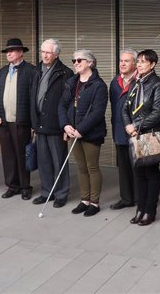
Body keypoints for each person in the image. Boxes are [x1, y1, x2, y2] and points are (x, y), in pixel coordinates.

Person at [58, 49, 108, 217]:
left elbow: (97, 112)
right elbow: (62, 106)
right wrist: (65, 125)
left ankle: (94, 202)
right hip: (72, 132)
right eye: (74, 60)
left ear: (90, 63)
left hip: (90, 134)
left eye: (80, 60)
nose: (76, 63)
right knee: (81, 168)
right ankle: (84, 200)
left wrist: (81, 129)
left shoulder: (99, 85)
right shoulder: (72, 82)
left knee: (92, 167)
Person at [122, 49, 160, 226]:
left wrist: (137, 126)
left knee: (151, 173)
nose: (139, 64)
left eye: (143, 62)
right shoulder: (135, 83)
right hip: (134, 133)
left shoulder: (158, 84)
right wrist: (128, 126)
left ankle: (150, 210)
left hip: (149, 134)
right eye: (138, 61)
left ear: (153, 64)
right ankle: (140, 208)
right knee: (138, 173)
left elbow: (157, 112)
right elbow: (125, 108)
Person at [0, 38, 38, 200]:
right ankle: (12, 186)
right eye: (7, 52)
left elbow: (34, 99)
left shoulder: (31, 71)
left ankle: (25, 186)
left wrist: (33, 122)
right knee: (8, 156)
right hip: (4, 122)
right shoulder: (3, 71)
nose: (8, 54)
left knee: (22, 155)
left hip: (22, 122)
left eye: (12, 51)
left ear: (20, 52)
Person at [30, 38, 73, 208]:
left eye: (48, 52)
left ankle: (61, 193)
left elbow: (69, 103)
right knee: (44, 161)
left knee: (59, 160)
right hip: (39, 124)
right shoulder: (36, 71)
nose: (45, 55)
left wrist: (66, 125)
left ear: (56, 54)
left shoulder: (65, 73)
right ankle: (47, 192)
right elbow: (31, 96)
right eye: (43, 51)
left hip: (56, 125)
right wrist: (32, 122)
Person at [108, 48, 138, 210]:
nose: (123, 64)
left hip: (136, 130)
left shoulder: (140, 81)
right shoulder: (115, 82)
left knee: (138, 167)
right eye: (121, 61)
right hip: (119, 130)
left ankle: (140, 198)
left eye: (127, 61)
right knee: (123, 167)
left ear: (135, 63)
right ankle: (126, 198)